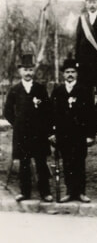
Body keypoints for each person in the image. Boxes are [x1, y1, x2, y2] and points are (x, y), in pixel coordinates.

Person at [3, 54, 53, 202]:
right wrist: (17, 123)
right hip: (22, 133)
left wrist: (44, 127)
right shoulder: (15, 90)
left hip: (39, 133)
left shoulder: (40, 89)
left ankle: (45, 192)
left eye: (30, 69)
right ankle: (25, 192)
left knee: (41, 163)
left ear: (34, 71)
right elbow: (7, 111)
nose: (28, 72)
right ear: (20, 71)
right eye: (25, 70)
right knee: (24, 163)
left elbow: (47, 110)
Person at [50, 58, 96, 203]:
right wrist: (52, 133)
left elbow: (91, 114)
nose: (70, 74)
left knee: (79, 163)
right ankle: (70, 192)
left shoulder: (84, 90)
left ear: (77, 74)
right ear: (63, 74)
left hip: (80, 134)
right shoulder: (58, 91)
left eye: (73, 72)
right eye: (67, 72)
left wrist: (90, 135)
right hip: (63, 134)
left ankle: (81, 192)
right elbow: (51, 113)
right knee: (67, 163)